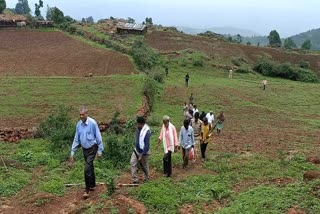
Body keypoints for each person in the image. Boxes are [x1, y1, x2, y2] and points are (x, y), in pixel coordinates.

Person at [70, 106, 104, 199]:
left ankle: (87, 190)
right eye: (80, 115)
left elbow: (98, 136)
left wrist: (100, 150)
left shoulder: (92, 123)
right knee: (90, 166)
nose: (81, 116)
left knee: (87, 168)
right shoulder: (78, 125)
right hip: (85, 149)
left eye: (83, 114)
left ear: (86, 114)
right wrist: (72, 152)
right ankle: (93, 185)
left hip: (93, 148)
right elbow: (76, 139)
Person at [130, 116, 151, 184]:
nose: (138, 125)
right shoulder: (138, 129)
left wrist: (141, 155)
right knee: (132, 162)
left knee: (144, 165)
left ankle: (146, 178)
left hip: (144, 152)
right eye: (137, 124)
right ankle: (135, 180)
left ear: (143, 124)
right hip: (136, 150)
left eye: (139, 124)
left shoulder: (147, 132)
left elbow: (146, 145)